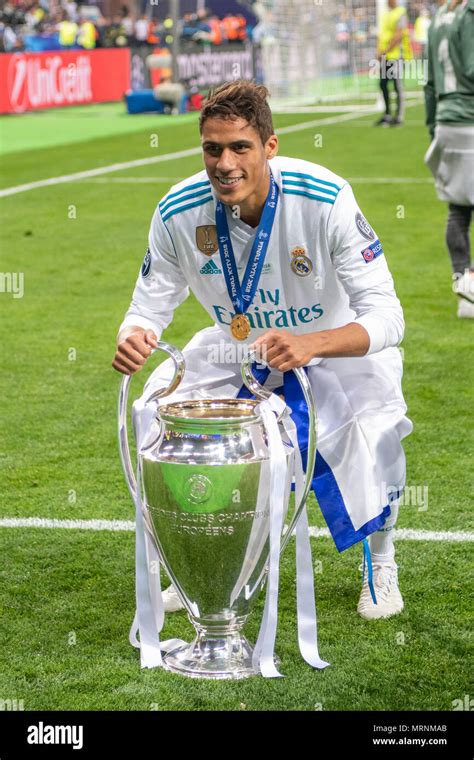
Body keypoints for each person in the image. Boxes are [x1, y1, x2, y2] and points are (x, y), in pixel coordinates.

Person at [113, 80, 412, 620]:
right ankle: (208, 557)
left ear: (269, 146)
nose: (225, 163)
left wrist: (311, 342)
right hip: (238, 349)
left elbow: (389, 317)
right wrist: (134, 336)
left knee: (375, 427)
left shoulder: (324, 198)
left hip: (337, 342)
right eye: (212, 149)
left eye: (240, 148)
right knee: (156, 408)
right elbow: (148, 307)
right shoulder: (179, 210)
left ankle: (380, 562)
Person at [424, 0, 474, 318]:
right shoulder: (469, 13)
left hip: (446, 121)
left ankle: (463, 286)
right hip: (470, 117)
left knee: (458, 210)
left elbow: (429, 83)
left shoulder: (438, 16)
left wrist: (432, 126)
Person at [375, 0, 412, 127]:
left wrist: (384, 51)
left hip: (396, 56)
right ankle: (387, 115)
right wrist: (379, 51)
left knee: (397, 86)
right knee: (383, 84)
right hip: (386, 56)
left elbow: (398, 35)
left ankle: (399, 117)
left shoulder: (400, 12)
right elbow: (381, 35)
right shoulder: (385, 14)